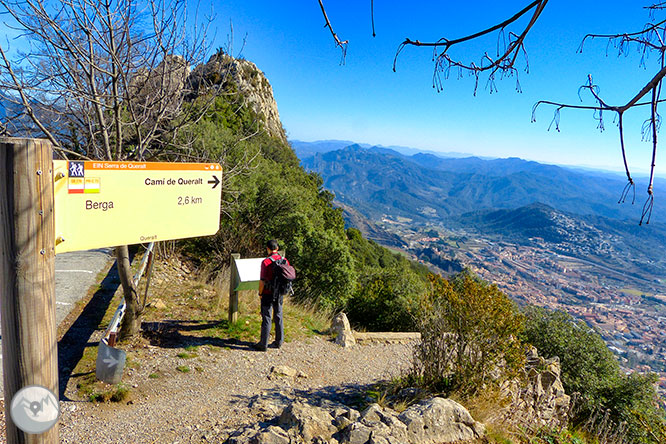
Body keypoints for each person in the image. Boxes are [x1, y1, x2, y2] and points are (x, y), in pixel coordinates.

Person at [254, 239, 289, 351]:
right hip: (279, 293)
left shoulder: (265, 262)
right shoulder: (284, 261)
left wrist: (260, 293)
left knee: (267, 317)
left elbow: (262, 281)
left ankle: (263, 344)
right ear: (277, 248)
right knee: (278, 316)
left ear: (267, 249)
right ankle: (279, 342)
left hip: (268, 293)